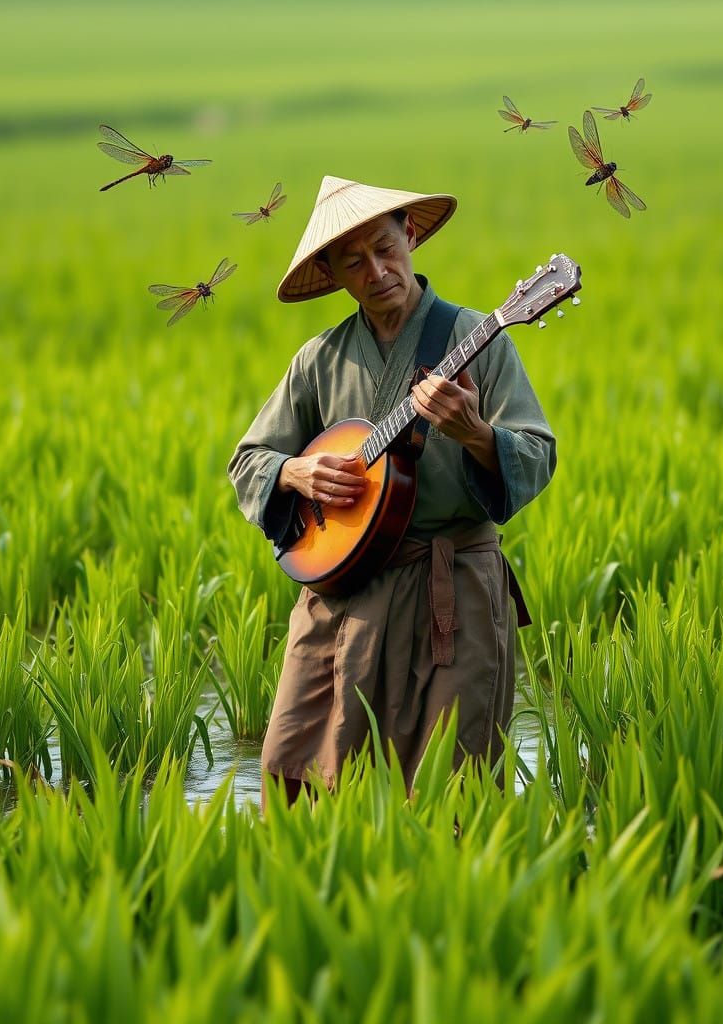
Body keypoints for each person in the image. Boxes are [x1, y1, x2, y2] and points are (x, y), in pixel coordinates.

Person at [227, 175, 556, 807]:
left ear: (410, 234)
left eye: (386, 248)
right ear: (333, 273)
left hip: (450, 595)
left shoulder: (480, 343)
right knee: (296, 776)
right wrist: (296, 473)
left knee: (447, 790)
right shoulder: (319, 359)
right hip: (343, 594)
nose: (378, 271)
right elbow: (249, 462)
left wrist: (476, 434)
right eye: (355, 262)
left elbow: (536, 452)